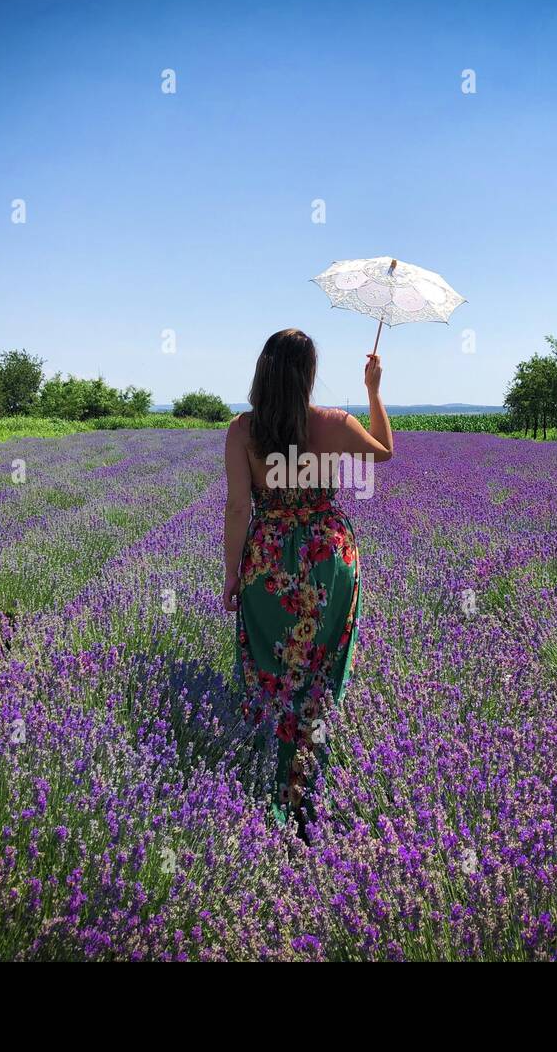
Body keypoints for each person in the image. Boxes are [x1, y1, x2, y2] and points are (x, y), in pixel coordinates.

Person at [222, 327, 393, 840]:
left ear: (262, 370)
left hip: (267, 564)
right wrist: (373, 391)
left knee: (271, 667)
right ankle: (308, 777)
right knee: (320, 665)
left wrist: (231, 575)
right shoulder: (334, 424)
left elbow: (236, 507)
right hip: (326, 559)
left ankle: (267, 776)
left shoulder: (242, 430)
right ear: (309, 375)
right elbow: (384, 450)